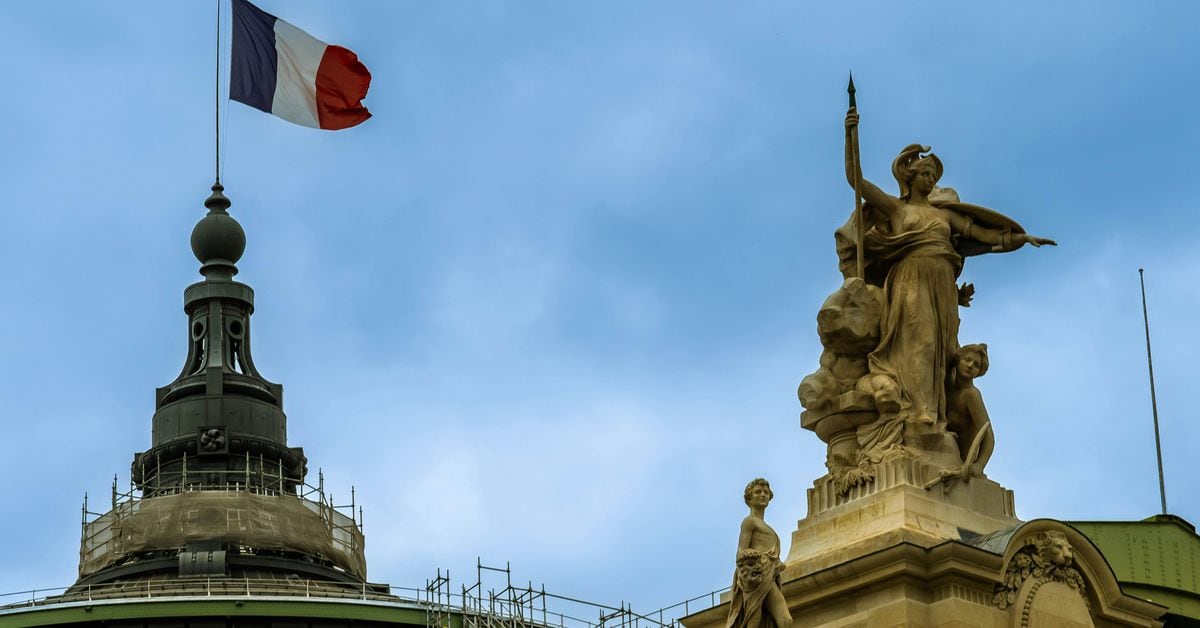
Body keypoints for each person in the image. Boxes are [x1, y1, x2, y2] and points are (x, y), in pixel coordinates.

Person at [841, 109, 1055, 429]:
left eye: (933, 176)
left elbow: (983, 235)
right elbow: (855, 179)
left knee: (941, 347)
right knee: (921, 339)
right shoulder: (897, 209)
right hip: (911, 275)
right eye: (925, 174)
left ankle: (935, 413)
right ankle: (919, 409)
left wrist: (1020, 238)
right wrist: (850, 133)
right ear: (910, 177)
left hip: (941, 278)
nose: (931, 180)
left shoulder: (944, 216)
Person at [726, 479, 791, 628]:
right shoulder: (749, 522)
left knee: (785, 621)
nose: (763, 495)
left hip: (769, 575)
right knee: (755, 618)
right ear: (749, 498)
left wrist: (777, 564)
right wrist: (759, 558)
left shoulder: (767, 526)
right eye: (758, 492)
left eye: (766, 492)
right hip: (755, 574)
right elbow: (741, 552)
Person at [945, 344, 994, 480]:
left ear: (979, 372)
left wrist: (979, 465)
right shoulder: (946, 388)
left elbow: (988, 436)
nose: (971, 365)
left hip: (963, 462)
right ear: (958, 360)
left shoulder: (971, 395)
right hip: (946, 453)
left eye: (976, 365)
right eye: (967, 360)